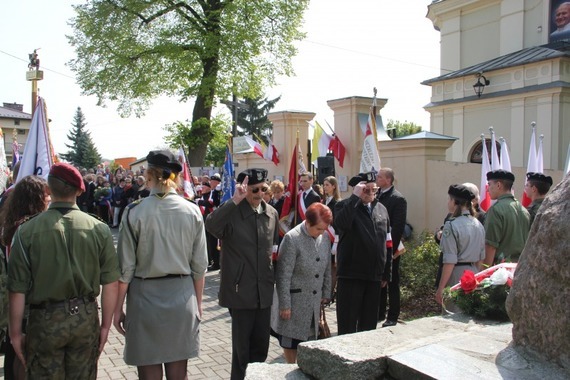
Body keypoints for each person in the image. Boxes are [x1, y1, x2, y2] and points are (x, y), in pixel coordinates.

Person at [7, 162, 119, 379]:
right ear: (79, 190)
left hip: (44, 321)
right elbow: (111, 283)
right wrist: (105, 325)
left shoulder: (26, 231)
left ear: (48, 189)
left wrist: (14, 332)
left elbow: (16, 288)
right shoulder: (99, 228)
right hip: (85, 320)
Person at [114, 150, 208, 379]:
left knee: (148, 374)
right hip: (182, 297)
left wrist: (117, 309)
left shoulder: (134, 211)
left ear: (149, 174)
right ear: (175, 177)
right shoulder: (192, 210)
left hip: (145, 299)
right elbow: (200, 266)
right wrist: (198, 303)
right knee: (179, 374)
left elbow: (125, 269)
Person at [205, 168, 280, 380]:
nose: (259, 194)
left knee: (261, 348)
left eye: (263, 189)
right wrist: (233, 201)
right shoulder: (232, 213)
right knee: (242, 352)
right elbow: (211, 224)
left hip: (263, 291)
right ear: (244, 189)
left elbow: (271, 250)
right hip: (240, 291)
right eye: (254, 189)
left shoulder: (271, 214)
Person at [0, 175, 51, 380]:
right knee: (25, 356)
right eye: (46, 198)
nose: (49, 201)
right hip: (27, 301)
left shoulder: (12, 224)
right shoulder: (29, 229)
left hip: (15, 301)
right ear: (36, 199)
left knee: (16, 352)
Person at [270, 202, 332, 364]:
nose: (321, 233)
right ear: (308, 222)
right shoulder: (292, 238)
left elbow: (327, 268)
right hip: (294, 303)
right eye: (318, 229)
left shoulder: (324, 237)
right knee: (291, 343)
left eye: (324, 229)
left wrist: (326, 293)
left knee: (311, 341)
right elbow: (283, 275)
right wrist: (285, 305)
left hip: (313, 302)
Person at [334, 172, 391, 335]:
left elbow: (388, 242)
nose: (371, 193)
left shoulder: (381, 209)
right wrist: (354, 199)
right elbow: (341, 225)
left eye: (374, 189)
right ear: (357, 190)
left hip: (374, 276)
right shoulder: (344, 206)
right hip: (351, 275)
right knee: (348, 326)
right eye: (366, 190)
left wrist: (386, 272)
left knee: (369, 326)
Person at [435, 185, 485, 306]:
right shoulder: (478, 224)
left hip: (456, 275)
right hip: (473, 274)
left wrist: (441, 288)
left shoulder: (451, 225)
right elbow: (481, 258)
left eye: (449, 199)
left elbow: (450, 261)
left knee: (452, 316)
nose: (448, 202)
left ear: (455, 202)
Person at [375, 168, 407, 328]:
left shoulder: (398, 199)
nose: (376, 178)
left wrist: (390, 250)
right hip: (377, 247)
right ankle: (379, 312)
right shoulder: (377, 194)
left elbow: (398, 227)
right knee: (379, 280)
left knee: (392, 281)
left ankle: (393, 316)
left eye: (379, 177)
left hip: (391, 248)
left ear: (388, 180)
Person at [483, 169, 530, 266]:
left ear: (498, 185)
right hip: (520, 268)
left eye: (490, 184)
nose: (487, 189)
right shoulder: (524, 210)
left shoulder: (496, 210)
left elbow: (491, 246)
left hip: (500, 270)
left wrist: (484, 270)